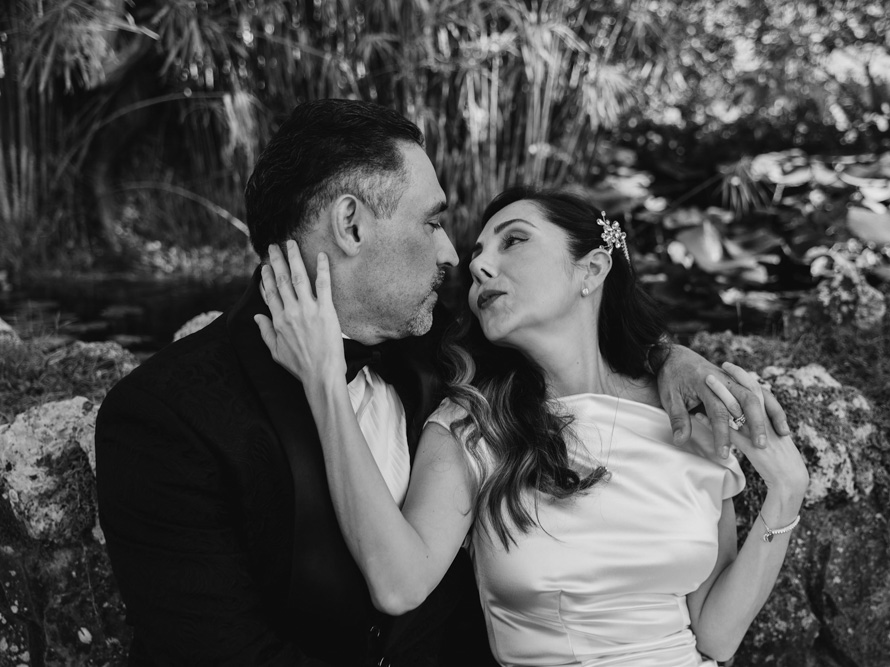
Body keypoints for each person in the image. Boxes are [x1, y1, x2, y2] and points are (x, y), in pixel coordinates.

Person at [96, 99, 789, 666]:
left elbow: (578, 355)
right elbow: (225, 655)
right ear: (350, 223)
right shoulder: (168, 415)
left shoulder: (439, 352)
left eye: (499, 240)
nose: (461, 257)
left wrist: (670, 357)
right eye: (434, 222)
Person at [256, 187, 809, 666]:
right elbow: (398, 584)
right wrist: (325, 382)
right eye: (476, 256)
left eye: (512, 241)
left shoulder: (685, 417)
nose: (478, 266)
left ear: (592, 269)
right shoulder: (472, 424)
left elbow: (717, 635)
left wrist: (786, 495)